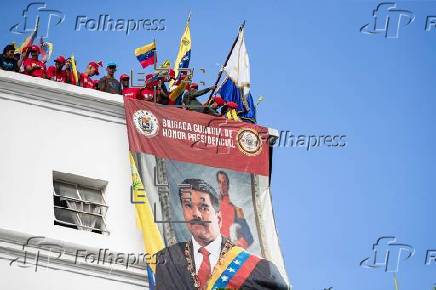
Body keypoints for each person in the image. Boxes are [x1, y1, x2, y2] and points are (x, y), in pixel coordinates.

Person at [155, 178, 288, 290]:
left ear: (218, 218)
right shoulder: (168, 259)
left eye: (203, 207)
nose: (195, 213)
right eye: (188, 206)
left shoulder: (260, 270)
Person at [216, 170, 254, 249]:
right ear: (217, 184)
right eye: (220, 182)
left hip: (227, 248)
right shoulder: (212, 204)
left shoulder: (235, 208)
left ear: (228, 184)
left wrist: (236, 244)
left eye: (224, 182)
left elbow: (249, 238)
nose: (222, 185)